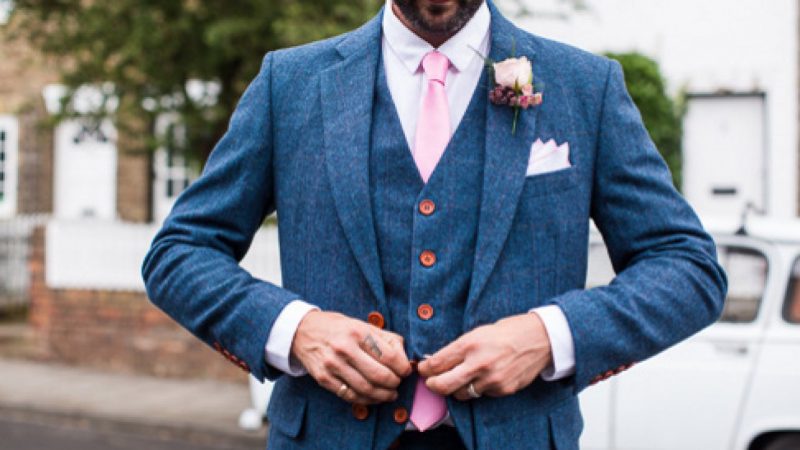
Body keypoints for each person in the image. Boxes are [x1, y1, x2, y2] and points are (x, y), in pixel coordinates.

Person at [141, 0, 728, 448]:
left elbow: (688, 267)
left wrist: (548, 336)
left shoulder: (584, 87)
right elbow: (179, 253)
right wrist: (297, 330)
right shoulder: (289, 86)